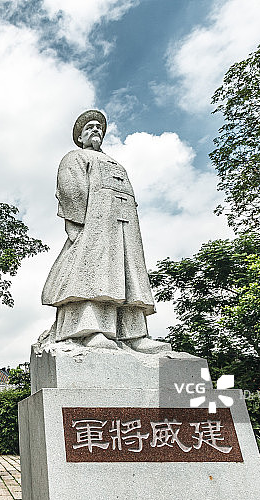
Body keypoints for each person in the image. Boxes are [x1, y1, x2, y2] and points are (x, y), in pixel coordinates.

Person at [42, 109, 169, 354]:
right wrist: (77, 224)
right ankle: (91, 330)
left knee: (130, 275)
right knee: (95, 275)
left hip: (125, 227)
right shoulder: (75, 156)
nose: (96, 130)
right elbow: (71, 189)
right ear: (80, 136)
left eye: (99, 127)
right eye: (89, 127)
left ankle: (134, 334)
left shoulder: (117, 163)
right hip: (95, 224)